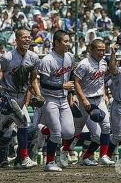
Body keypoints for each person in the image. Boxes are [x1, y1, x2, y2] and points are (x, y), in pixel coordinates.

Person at [0, 27, 40, 169]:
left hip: (22, 95)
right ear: (16, 40)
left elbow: (33, 79)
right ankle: (24, 157)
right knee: (22, 122)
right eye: (24, 37)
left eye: (29, 37)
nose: (27, 39)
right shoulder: (7, 57)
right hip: (8, 95)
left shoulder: (34, 57)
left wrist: (38, 94)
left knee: (3, 127)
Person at [38, 30, 75, 171]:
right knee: (57, 133)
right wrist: (62, 85)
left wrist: (72, 94)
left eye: (68, 40)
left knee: (69, 133)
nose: (68, 43)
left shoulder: (70, 57)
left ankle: (43, 130)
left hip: (64, 99)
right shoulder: (48, 59)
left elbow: (70, 76)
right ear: (56, 42)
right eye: (65, 41)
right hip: (50, 99)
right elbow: (43, 82)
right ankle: (50, 163)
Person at [74, 39, 114, 166]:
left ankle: (102, 155)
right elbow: (76, 83)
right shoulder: (84, 64)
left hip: (98, 98)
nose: (102, 52)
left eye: (103, 49)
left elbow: (101, 79)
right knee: (76, 130)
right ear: (91, 50)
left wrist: (104, 94)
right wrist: (83, 99)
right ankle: (64, 151)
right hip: (85, 100)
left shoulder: (103, 63)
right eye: (99, 49)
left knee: (106, 127)